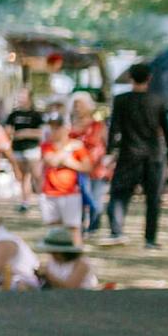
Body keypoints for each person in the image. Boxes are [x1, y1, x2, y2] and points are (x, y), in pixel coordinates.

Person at [101, 62, 168, 249]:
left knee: (119, 194)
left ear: (130, 78)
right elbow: (167, 131)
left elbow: (114, 129)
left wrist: (109, 151)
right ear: (149, 78)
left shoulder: (121, 100)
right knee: (153, 199)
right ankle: (150, 239)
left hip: (129, 154)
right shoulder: (158, 100)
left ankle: (116, 231)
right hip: (154, 156)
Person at [38, 110, 90, 243]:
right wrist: (67, 150)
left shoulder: (78, 146)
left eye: (57, 127)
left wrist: (71, 163)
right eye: (52, 127)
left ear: (66, 128)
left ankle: (76, 251)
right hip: (50, 193)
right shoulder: (47, 145)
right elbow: (52, 161)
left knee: (73, 228)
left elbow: (87, 167)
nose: (54, 131)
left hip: (71, 193)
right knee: (54, 229)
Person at [70, 91, 107, 234]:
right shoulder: (71, 127)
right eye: (75, 105)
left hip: (96, 168)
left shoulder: (98, 125)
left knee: (95, 199)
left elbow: (106, 144)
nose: (77, 108)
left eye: (80, 105)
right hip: (77, 168)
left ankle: (94, 227)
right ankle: (79, 227)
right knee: (78, 199)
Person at [3, 87, 44, 210]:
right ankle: (25, 201)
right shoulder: (13, 115)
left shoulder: (36, 115)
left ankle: (43, 199)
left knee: (37, 175)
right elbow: (8, 131)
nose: (21, 98)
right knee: (23, 176)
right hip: (17, 149)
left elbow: (41, 132)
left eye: (23, 95)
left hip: (32, 148)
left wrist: (25, 133)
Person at [36, 227, 100, 290]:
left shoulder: (82, 263)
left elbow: (70, 288)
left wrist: (48, 275)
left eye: (54, 252)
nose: (51, 254)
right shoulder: (52, 260)